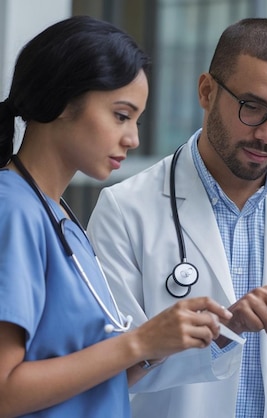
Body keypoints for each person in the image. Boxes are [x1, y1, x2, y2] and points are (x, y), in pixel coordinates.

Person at [86, 17, 267, 418]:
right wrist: (226, 331)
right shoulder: (124, 211)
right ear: (206, 91)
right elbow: (104, 369)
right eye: (253, 108)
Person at [0, 15, 234, 418]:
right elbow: (5, 392)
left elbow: (88, 384)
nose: (134, 138)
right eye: (121, 115)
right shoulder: (12, 210)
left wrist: (162, 343)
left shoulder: (60, 217)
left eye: (137, 120)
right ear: (61, 101)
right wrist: (139, 342)